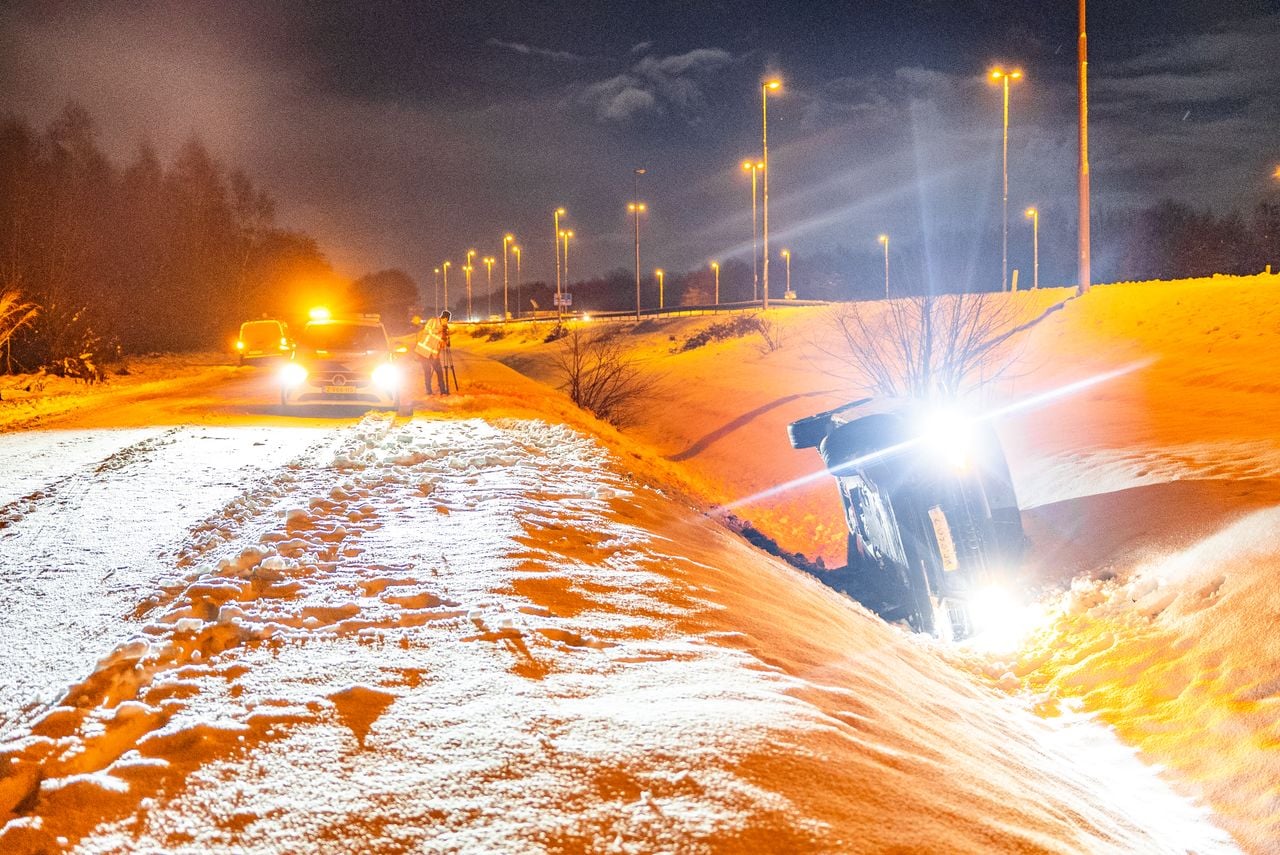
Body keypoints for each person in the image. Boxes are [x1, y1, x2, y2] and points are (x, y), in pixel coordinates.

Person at [414, 309, 451, 395]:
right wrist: (439, 330)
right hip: (423, 352)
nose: (446, 322)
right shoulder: (433, 321)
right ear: (443, 318)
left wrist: (445, 338)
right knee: (427, 371)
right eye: (446, 320)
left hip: (434, 355)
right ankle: (428, 390)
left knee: (439, 372)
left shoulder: (444, 330)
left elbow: (442, 345)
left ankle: (443, 390)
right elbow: (427, 331)